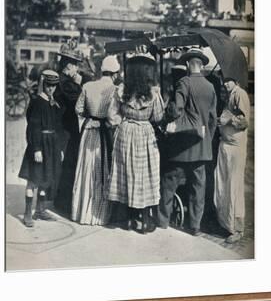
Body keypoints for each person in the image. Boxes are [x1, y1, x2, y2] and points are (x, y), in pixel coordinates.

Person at [159, 48, 217, 235]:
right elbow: (213, 119)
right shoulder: (210, 87)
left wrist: (168, 116)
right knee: (198, 188)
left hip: (182, 147)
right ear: (201, 65)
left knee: (169, 182)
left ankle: (163, 221)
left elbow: (176, 110)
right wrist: (206, 137)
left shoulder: (184, 82)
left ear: (187, 64)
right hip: (202, 147)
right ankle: (194, 226)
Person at [107, 52, 165, 234]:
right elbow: (158, 117)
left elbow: (112, 115)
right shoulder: (153, 92)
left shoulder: (122, 89)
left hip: (126, 132)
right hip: (145, 134)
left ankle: (129, 219)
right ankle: (146, 221)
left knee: (126, 173)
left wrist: (121, 123)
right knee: (145, 175)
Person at [71, 55, 121, 225]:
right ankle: (99, 214)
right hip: (104, 134)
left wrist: (90, 116)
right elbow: (114, 118)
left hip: (89, 132)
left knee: (86, 169)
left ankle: (81, 212)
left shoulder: (88, 85)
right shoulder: (114, 90)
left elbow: (78, 109)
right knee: (101, 170)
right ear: (115, 73)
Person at [18, 70, 64, 228]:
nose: (51, 89)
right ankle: (27, 212)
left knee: (46, 178)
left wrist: (59, 149)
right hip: (39, 145)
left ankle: (40, 209)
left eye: (54, 86)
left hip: (51, 145)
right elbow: (33, 128)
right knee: (33, 179)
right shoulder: (38, 102)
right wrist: (36, 149)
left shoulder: (53, 103)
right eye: (48, 85)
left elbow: (57, 127)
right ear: (43, 84)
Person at [214, 77, 250, 244]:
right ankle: (226, 223)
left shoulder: (240, 94)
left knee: (234, 186)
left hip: (235, 146)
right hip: (226, 144)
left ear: (235, 81)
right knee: (223, 184)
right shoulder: (228, 94)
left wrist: (228, 120)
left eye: (228, 81)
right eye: (224, 81)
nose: (225, 84)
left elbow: (244, 122)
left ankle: (237, 228)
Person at [53, 41, 84, 215]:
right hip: (66, 129)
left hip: (62, 126)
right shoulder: (66, 83)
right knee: (69, 164)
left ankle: (58, 199)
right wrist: (79, 84)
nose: (77, 68)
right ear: (68, 65)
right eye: (75, 64)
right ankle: (63, 203)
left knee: (66, 164)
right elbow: (80, 100)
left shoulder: (59, 79)